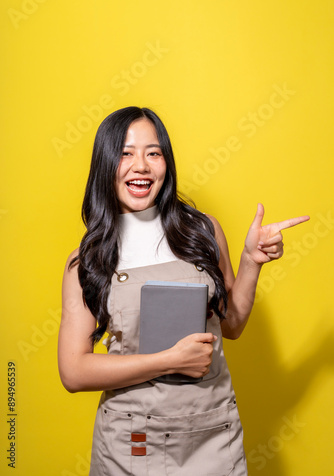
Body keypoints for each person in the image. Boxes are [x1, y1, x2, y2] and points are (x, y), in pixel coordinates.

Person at [58, 106, 309, 476]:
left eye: (153, 152)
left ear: (166, 163)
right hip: (132, 442)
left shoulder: (202, 230)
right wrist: (168, 360)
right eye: (125, 153)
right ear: (105, 164)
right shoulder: (89, 258)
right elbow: (74, 371)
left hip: (211, 434)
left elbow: (233, 325)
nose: (141, 165)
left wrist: (251, 260)